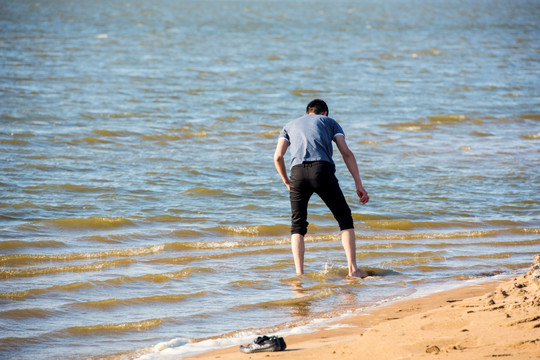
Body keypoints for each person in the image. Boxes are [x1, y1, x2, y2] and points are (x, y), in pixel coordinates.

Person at [273, 99, 369, 278]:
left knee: (298, 225)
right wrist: (358, 183)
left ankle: (299, 275)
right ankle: (353, 270)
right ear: (324, 113)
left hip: (297, 174)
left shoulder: (289, 125)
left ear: (307, 112)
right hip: (322, 170)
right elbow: (346, 152)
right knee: (344, 218)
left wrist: (287, 181)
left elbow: (278, 156)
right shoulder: (330, 122)